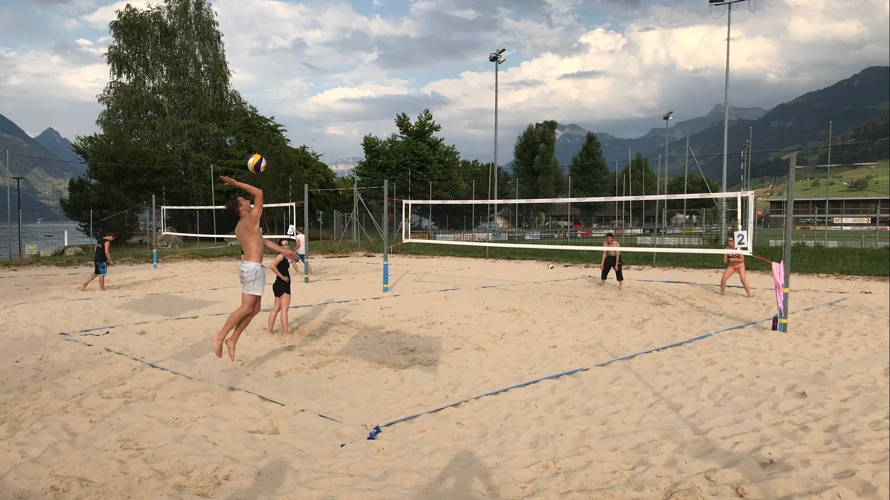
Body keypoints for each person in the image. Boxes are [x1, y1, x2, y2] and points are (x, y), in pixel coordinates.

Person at [213, 176, 295, 362]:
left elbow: (260, 241)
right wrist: (235, 183)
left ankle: (232, 339)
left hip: (251, 268)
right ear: (242, 209)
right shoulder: (250, 220)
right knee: (245, 308)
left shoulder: (243, 226)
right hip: (251, 269)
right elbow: (259, 192)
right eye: (244, 200)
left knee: (255, 308)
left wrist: (282, 249)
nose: (249, 201)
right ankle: (220, 336)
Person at [267, 238, 300, 334]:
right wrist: (282, 276)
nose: (286, 245)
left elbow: (295, 258)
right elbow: (272, 266)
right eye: (284, 244)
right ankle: (285, 332)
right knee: (284, 310)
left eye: (287, 243)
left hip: (278, 284)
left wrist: (295, 249)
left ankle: (270, 330)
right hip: (282, 284)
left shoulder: (285, 256)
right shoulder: (280, 256)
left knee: (276, 308)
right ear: (279, 246)